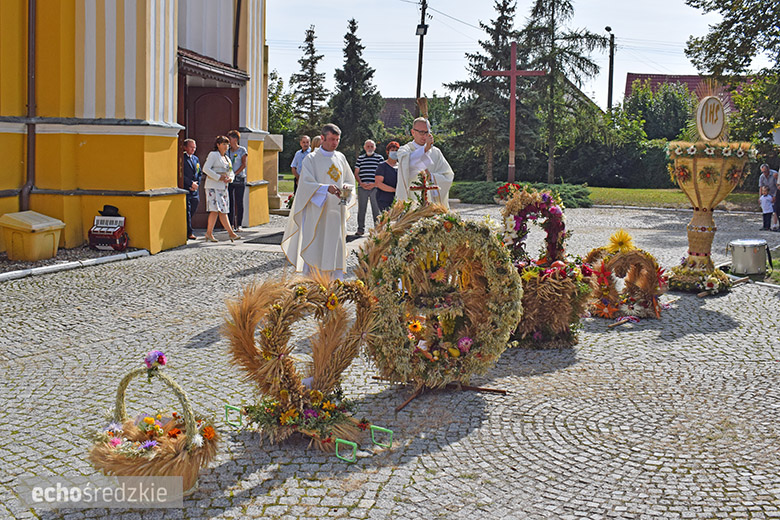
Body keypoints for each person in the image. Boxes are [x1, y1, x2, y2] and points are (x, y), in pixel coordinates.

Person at [281, 123, 356, 278]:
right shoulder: (311, 159)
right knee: (317, 246)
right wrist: (324, 188)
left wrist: (346, 188)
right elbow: (305, 185)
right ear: (322, 138)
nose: (335, 143)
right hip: (318, 213)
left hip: (337, 213)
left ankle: (335, 282)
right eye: (332, 139)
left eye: (337, 139)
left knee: (335, 248)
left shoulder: (341, 157)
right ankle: (313, 284)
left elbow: (350, 180)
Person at [395, 117, 454, 209]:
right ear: (413, 132)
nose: (424, 136)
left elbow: (448, 176)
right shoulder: (404, 150)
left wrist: (432, 177)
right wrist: (425, 149)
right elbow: (407, 168)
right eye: (421, 132)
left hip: (432, 202)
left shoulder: (436, 152)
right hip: (412, 199)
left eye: (427, 132)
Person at [202, 135, 240, 243]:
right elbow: (206, 169)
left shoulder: (227, 158)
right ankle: (231, 233)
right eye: (223, 144)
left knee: (218, 210)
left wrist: (230, 178)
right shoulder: (213, 155)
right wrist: (218, 177)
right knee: (219, 210)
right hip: (213, 187)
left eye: (227, 144)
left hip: (223, 187)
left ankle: (209, 233)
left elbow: (231, 171)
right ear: (218, 145)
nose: (226, 146)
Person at [354, 139, 384, 235]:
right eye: (368, 146)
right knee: (361, 209)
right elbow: (356, 173)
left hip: (375, 188)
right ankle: (360, 229)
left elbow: (383, 173)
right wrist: (361, 183)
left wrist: (375, 184)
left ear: (375, 148)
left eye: (372, 146)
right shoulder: (360, 158)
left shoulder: (380, 158)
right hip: (362, 187)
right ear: (364, 147)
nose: (370, 148)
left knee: (376, 210)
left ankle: (377, 230)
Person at [227, 130, 248, 232]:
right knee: (230, 201)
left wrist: (235, 173)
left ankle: (239, 224)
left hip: (239, 178)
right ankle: (230, 224)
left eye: (230, 139)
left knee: (239, 202)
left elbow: (244, 164)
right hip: (230, 180)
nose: (228, 141)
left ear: (235, 139)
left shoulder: (242, 150)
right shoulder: (227, 151)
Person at [182, 139, 200, 240]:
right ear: (185, 147)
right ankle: (189, 232)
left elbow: (199, 172)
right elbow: (181, 174)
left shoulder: (195, 159)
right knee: (187, 211)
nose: (193, 149)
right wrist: (190, 184)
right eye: (191, 147)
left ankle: (187, 227)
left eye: (194, 147)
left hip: (195, 189)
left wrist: (197, 184)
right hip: (187, 188)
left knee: (194, 206)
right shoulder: (182, 158)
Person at [374, 141, 400, 214]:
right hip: (384, 198)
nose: (394, 152)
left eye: (396, 151)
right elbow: (378, 183)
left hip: (398, 198)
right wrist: (395, 190)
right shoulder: (382, 166)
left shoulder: (401, 166)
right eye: (392, 150)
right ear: (387, 152)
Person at [758, 163, 778, 230]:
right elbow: (761, 187)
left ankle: (775, 225)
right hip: (766, 194)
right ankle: (766, 226)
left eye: (765, 171)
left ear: (768, 170)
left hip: (774, 192)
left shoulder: (774, 174)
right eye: (763, 172)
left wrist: (775, 196)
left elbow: (777, 186)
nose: (764, 173)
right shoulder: (762, 176)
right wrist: (760, 197)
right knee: (766, 211)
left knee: (775, 209)